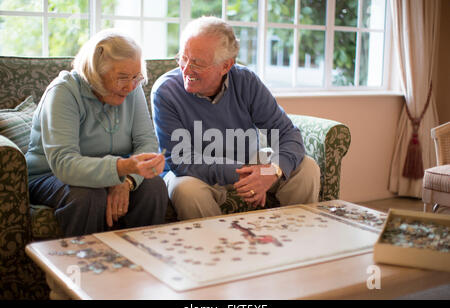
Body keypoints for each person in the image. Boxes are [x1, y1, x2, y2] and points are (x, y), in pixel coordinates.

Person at [151, 17, 320, 220]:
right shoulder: (165, 91)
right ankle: (217, 249)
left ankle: (294, 241)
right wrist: (249, 175)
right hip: (194, 175)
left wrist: (271, 172)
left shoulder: (246, 82)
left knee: (307, 168)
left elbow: (287, 133)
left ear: (226, 66)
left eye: (197, 63)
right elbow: (181, 160)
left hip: (247, 162)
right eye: (183, 57)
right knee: (187, 191)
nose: (186, 69)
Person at [26, 29, 168, 237]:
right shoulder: (63, 92)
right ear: (95, 73)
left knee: (154, 186)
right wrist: (120, 168)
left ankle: (141, 263)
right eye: (121, 77)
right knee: (87, 196)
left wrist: (127, 180)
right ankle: (83, 267)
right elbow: (65, 164)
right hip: (50, 176)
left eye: (136, 77)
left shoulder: (132, 88)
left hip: (116, 172)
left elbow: (146, 141)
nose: (130, 86)